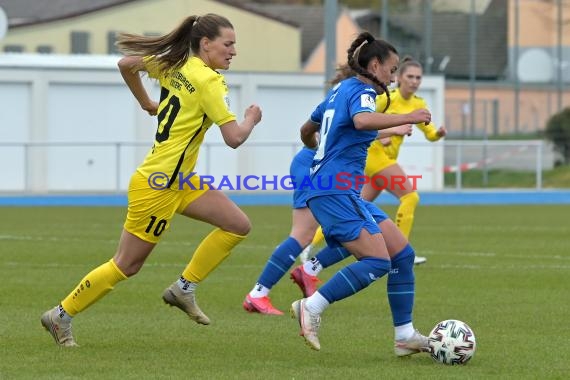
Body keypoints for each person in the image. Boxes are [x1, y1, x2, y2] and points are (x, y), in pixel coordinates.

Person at [40, 13, 262, 347]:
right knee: (127, 265)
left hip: (180, 181)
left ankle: (183, 288)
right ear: (206, 43)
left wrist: (147, 102)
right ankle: (60, 315)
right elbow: (233, 138)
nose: (233, 51)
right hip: (158, 186)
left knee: (237, 225)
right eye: (228, 44)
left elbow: (127, 64)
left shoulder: (176, 65)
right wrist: (250, 119)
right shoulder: (210, 82)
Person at [290, 31, 432, 354]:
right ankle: (310, 307)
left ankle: (405, 335)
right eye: (392, 70)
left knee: (402, 254)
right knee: (377, 260)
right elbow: (362, 119)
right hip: (335, 191)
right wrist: (408, 116)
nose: (393, 77)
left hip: (338, 190)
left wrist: (320, 155)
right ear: (376, 64)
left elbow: (306, 130)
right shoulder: (364, 92)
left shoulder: (340, 90)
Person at [243, 123, 413, 315]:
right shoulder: (353, 99)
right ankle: (258, 294)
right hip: (314, 167)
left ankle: (308, 269)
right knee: (303, 235)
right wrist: (394, 128)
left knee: (362, 229)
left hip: (320, 167)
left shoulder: (353, 101)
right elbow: (351, 130)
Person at [301, 57, 447, 265]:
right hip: (373, 156)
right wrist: (386, 132)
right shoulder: (386, 97)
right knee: (410, 197)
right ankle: (402, 250)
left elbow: (430, 133)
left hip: (384, 160)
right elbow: (361, 119)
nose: (414, 81)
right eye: (410, 76)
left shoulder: (418, 104)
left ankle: (309, 246)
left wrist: (438, 134)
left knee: (357, 206)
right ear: (399, 78)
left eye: (418, 78)